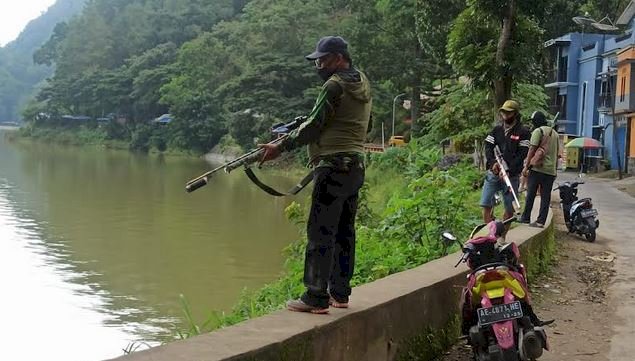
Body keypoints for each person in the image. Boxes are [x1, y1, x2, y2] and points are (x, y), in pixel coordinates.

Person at [259, 36, 372, 314]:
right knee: (345, 232)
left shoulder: (334, 85)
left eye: (322, 59)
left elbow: (313, 126)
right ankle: (340, 293)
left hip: (332, 167)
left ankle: (315, 296)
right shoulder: (362, 82)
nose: (318, 65)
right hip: (355, 166)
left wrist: (280, 146)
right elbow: (365, 124)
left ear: (338, 58)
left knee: (321, 231)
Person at [480, 100, 530, 224]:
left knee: (510, 208)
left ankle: (502, 238)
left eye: (509, 113)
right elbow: (488, 146)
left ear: (515, 114)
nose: (505, 116)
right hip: (494, 174)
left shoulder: (523, 132)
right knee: (486, 204)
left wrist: (509, 170)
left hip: (511, 176)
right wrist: (493, 163)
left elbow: (522, 154)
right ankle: (490, 235)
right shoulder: (497, 130)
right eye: (503, 113)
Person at [520, 111, 559, 228]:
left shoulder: (538, 131)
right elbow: (556, 154)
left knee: (531, 193)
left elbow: (531, 150)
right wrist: (555, 170)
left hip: (537, 169)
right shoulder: (555, 134)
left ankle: (525, 218)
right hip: (550, 171)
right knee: (545, 196)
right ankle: (541, 221)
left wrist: (526, 167)